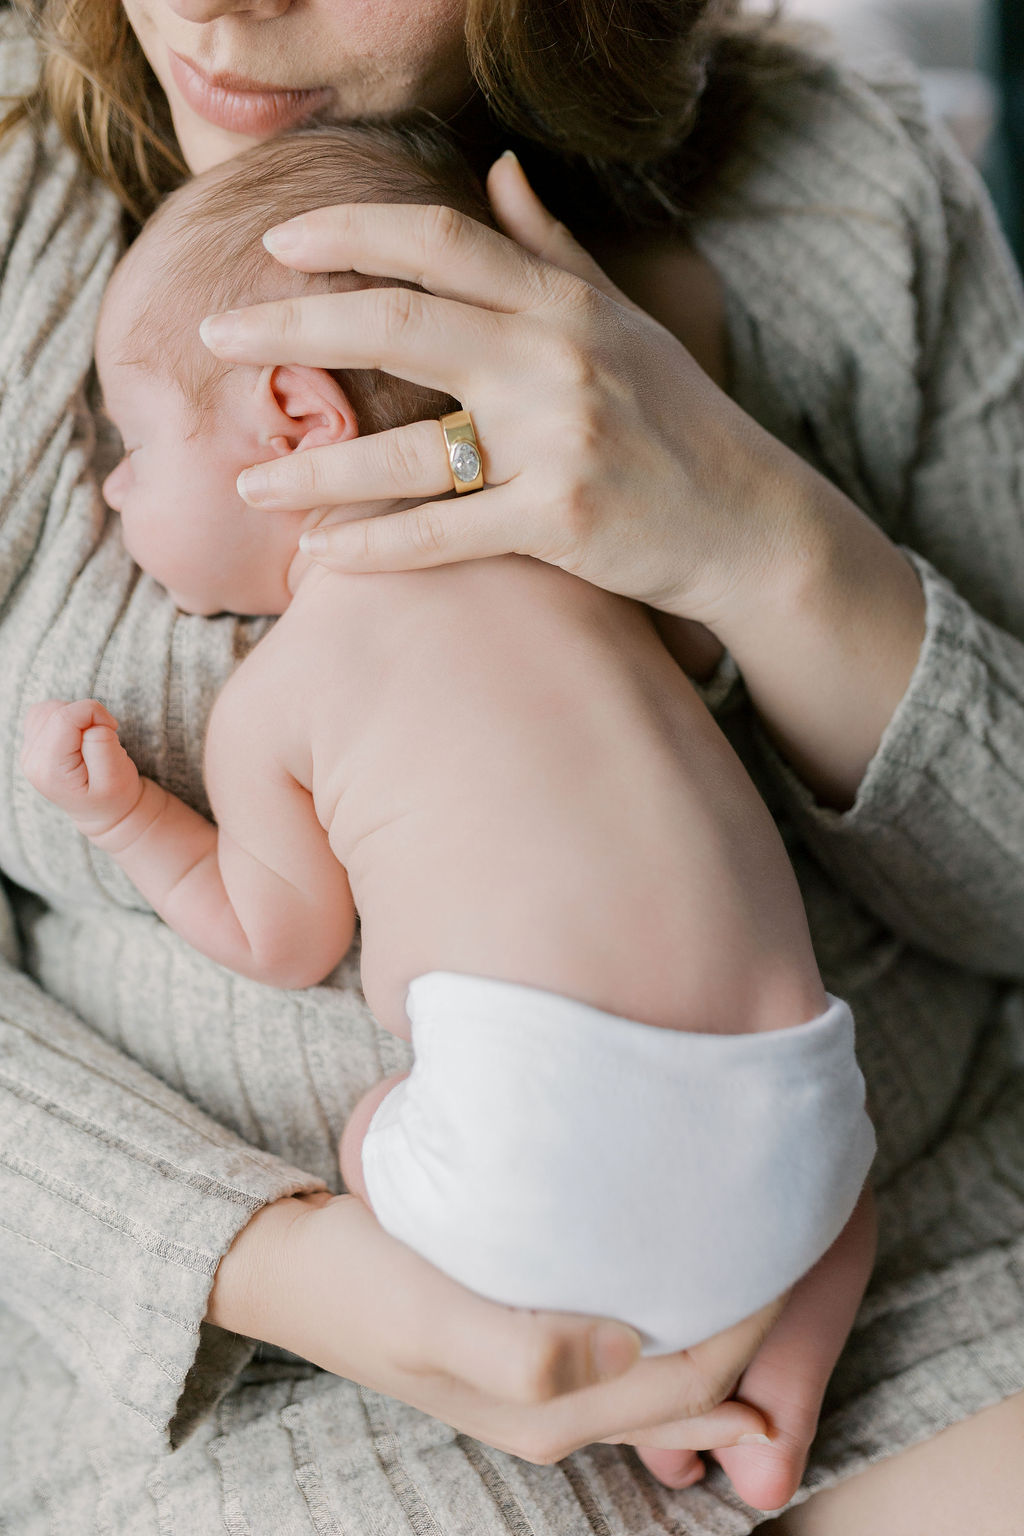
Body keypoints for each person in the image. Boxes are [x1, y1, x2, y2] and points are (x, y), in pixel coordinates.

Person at [0, 0, 1021, 1532]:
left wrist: (769, 539)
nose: (217, 7)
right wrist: (272, 1263)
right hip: (301, 1407)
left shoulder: (852, 182)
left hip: (955, 1283)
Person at [21, 119, 875, 1381]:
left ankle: (674, 1370)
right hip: (809, 1116)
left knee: (375, 1132)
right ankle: (782, 1358)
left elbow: (281, 938)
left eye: (134, 447)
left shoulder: (281, 695)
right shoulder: (581, 554)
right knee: (837, 1182)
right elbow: (706, 665)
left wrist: (127, 818)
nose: (112, 493)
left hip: (533, 1169)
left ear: (297, 421)